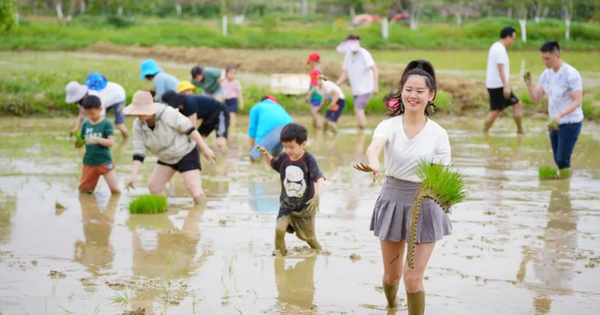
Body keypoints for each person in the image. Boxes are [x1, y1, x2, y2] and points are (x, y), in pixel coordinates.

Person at [354, 60, 452, 314]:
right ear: (402, 90)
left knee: (412, 278)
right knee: (391, 277)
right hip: (393, 199)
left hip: (424, 203)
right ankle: (391, 306)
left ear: (431, 95)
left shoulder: (438, 134)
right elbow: (375, 146)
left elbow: (439, 175)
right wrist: (374, 163)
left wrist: (438, 196)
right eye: (409, 89)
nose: (413, 95)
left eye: (420, 91)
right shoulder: (390, 126)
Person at [123, 91, 216, 204]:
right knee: (154, 188)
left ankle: (201, 213)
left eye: (141, 111)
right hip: (166, 157)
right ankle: (164, 215)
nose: (138, 114)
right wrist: (133, 176)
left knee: (193, 188)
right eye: (136, 111)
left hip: (185, 152)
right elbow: (139, 151)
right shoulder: (138, 125)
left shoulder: (168, 114)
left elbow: (190, 128)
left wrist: (204, 147)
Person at [257, 123, 325, 256]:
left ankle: (320, 253)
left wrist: (317, 195)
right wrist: (266, 154)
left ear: (303, 144)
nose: (288, 150)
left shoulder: (309, 160)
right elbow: (273, 163)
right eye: (285, 146)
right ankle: (279, 255)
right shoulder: (284, 158)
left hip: (305, 208)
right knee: (279, 229)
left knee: (309, 238)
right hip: (286, 206)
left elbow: (320, 178)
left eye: (292, 147)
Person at [524, 41, 583, 179]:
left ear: (558, 56)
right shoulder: (546, 74)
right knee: (557, 158)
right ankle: (563, 185)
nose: (545, 62)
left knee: (562, 158)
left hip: (570, 121)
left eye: (547, 59)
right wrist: (529, 85)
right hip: (554, 122)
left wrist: (561, 114)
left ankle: (564, 185)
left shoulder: (571, 74)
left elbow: (577, 100)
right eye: (543, 58)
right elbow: (536, 97)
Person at [483, 26, 525, 134]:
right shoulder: (500, 49)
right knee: (517, 104)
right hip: (499, 85)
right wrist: (506, 86)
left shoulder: (494, 46)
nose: (513, 41)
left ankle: (485, 132)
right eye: (513, 38)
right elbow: (500, 68)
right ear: (507, 37)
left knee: (495, 111)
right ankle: (520, 131)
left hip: (492, 84)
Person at [77, 95, 120, 194]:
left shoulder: (106, 124)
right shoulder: (85, 124)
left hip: (104, 161)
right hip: (89, 162)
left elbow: (111, 143)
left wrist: (96, 139)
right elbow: (80, 141)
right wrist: (78, 142)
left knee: (115, 190)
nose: (90, 116)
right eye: (87, 114)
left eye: (92, 113)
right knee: (84, 191)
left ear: (100, 109)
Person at [162, 90, 230, 152]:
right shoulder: (180, 109)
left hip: (220, 111)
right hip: (208, 116)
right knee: (198, 142)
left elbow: (192, 125)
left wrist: (188, 138)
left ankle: (226, 158)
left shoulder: (189, 102)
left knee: (220, 141)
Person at [336, 34, 379, 129]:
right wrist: (337, 84)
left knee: (358, 109)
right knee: (359, 109)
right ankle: (362, 127)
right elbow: (345, 73)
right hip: (356, 89)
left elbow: (374, 69)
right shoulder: (348, 55)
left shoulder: (364, 54)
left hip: (366, 87)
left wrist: (375, 86)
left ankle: (362, 130)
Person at [248, 96, 294, 161]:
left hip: (277, 131)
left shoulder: (256, 107)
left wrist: (253, 147)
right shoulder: (278, 106)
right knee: (275, 155)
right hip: (292, 128)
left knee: (254, 155)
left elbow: (252, 129)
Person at [85, 73, 129, 138]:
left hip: (119, 97)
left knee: (119, 124)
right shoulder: (91, 91)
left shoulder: (101, 96)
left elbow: (101, 114)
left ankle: (126, 137)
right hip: (109, 98)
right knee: (96, 119)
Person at [305, 52, 324, 128]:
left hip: (316, 95)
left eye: (310, 63)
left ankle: (319, 133)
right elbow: (323, 81)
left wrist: (308, 95)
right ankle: (317, 130)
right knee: (315, 115)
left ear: (312, 62)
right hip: (321, 94)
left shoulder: (314, 72)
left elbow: (315, 86)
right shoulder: (320, 70)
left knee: (315, 115)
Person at [221, 65, 244, 130]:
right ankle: (227, 128)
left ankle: (232, 129)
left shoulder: (236, 82)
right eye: (231, 73)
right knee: (226, 115)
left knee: (232, 116)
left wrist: (241, 102)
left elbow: (239, 93)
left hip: (233, 100)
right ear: (226, 73)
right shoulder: (224, 81)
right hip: (226, 100)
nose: (232, 75)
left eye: (234, 73)